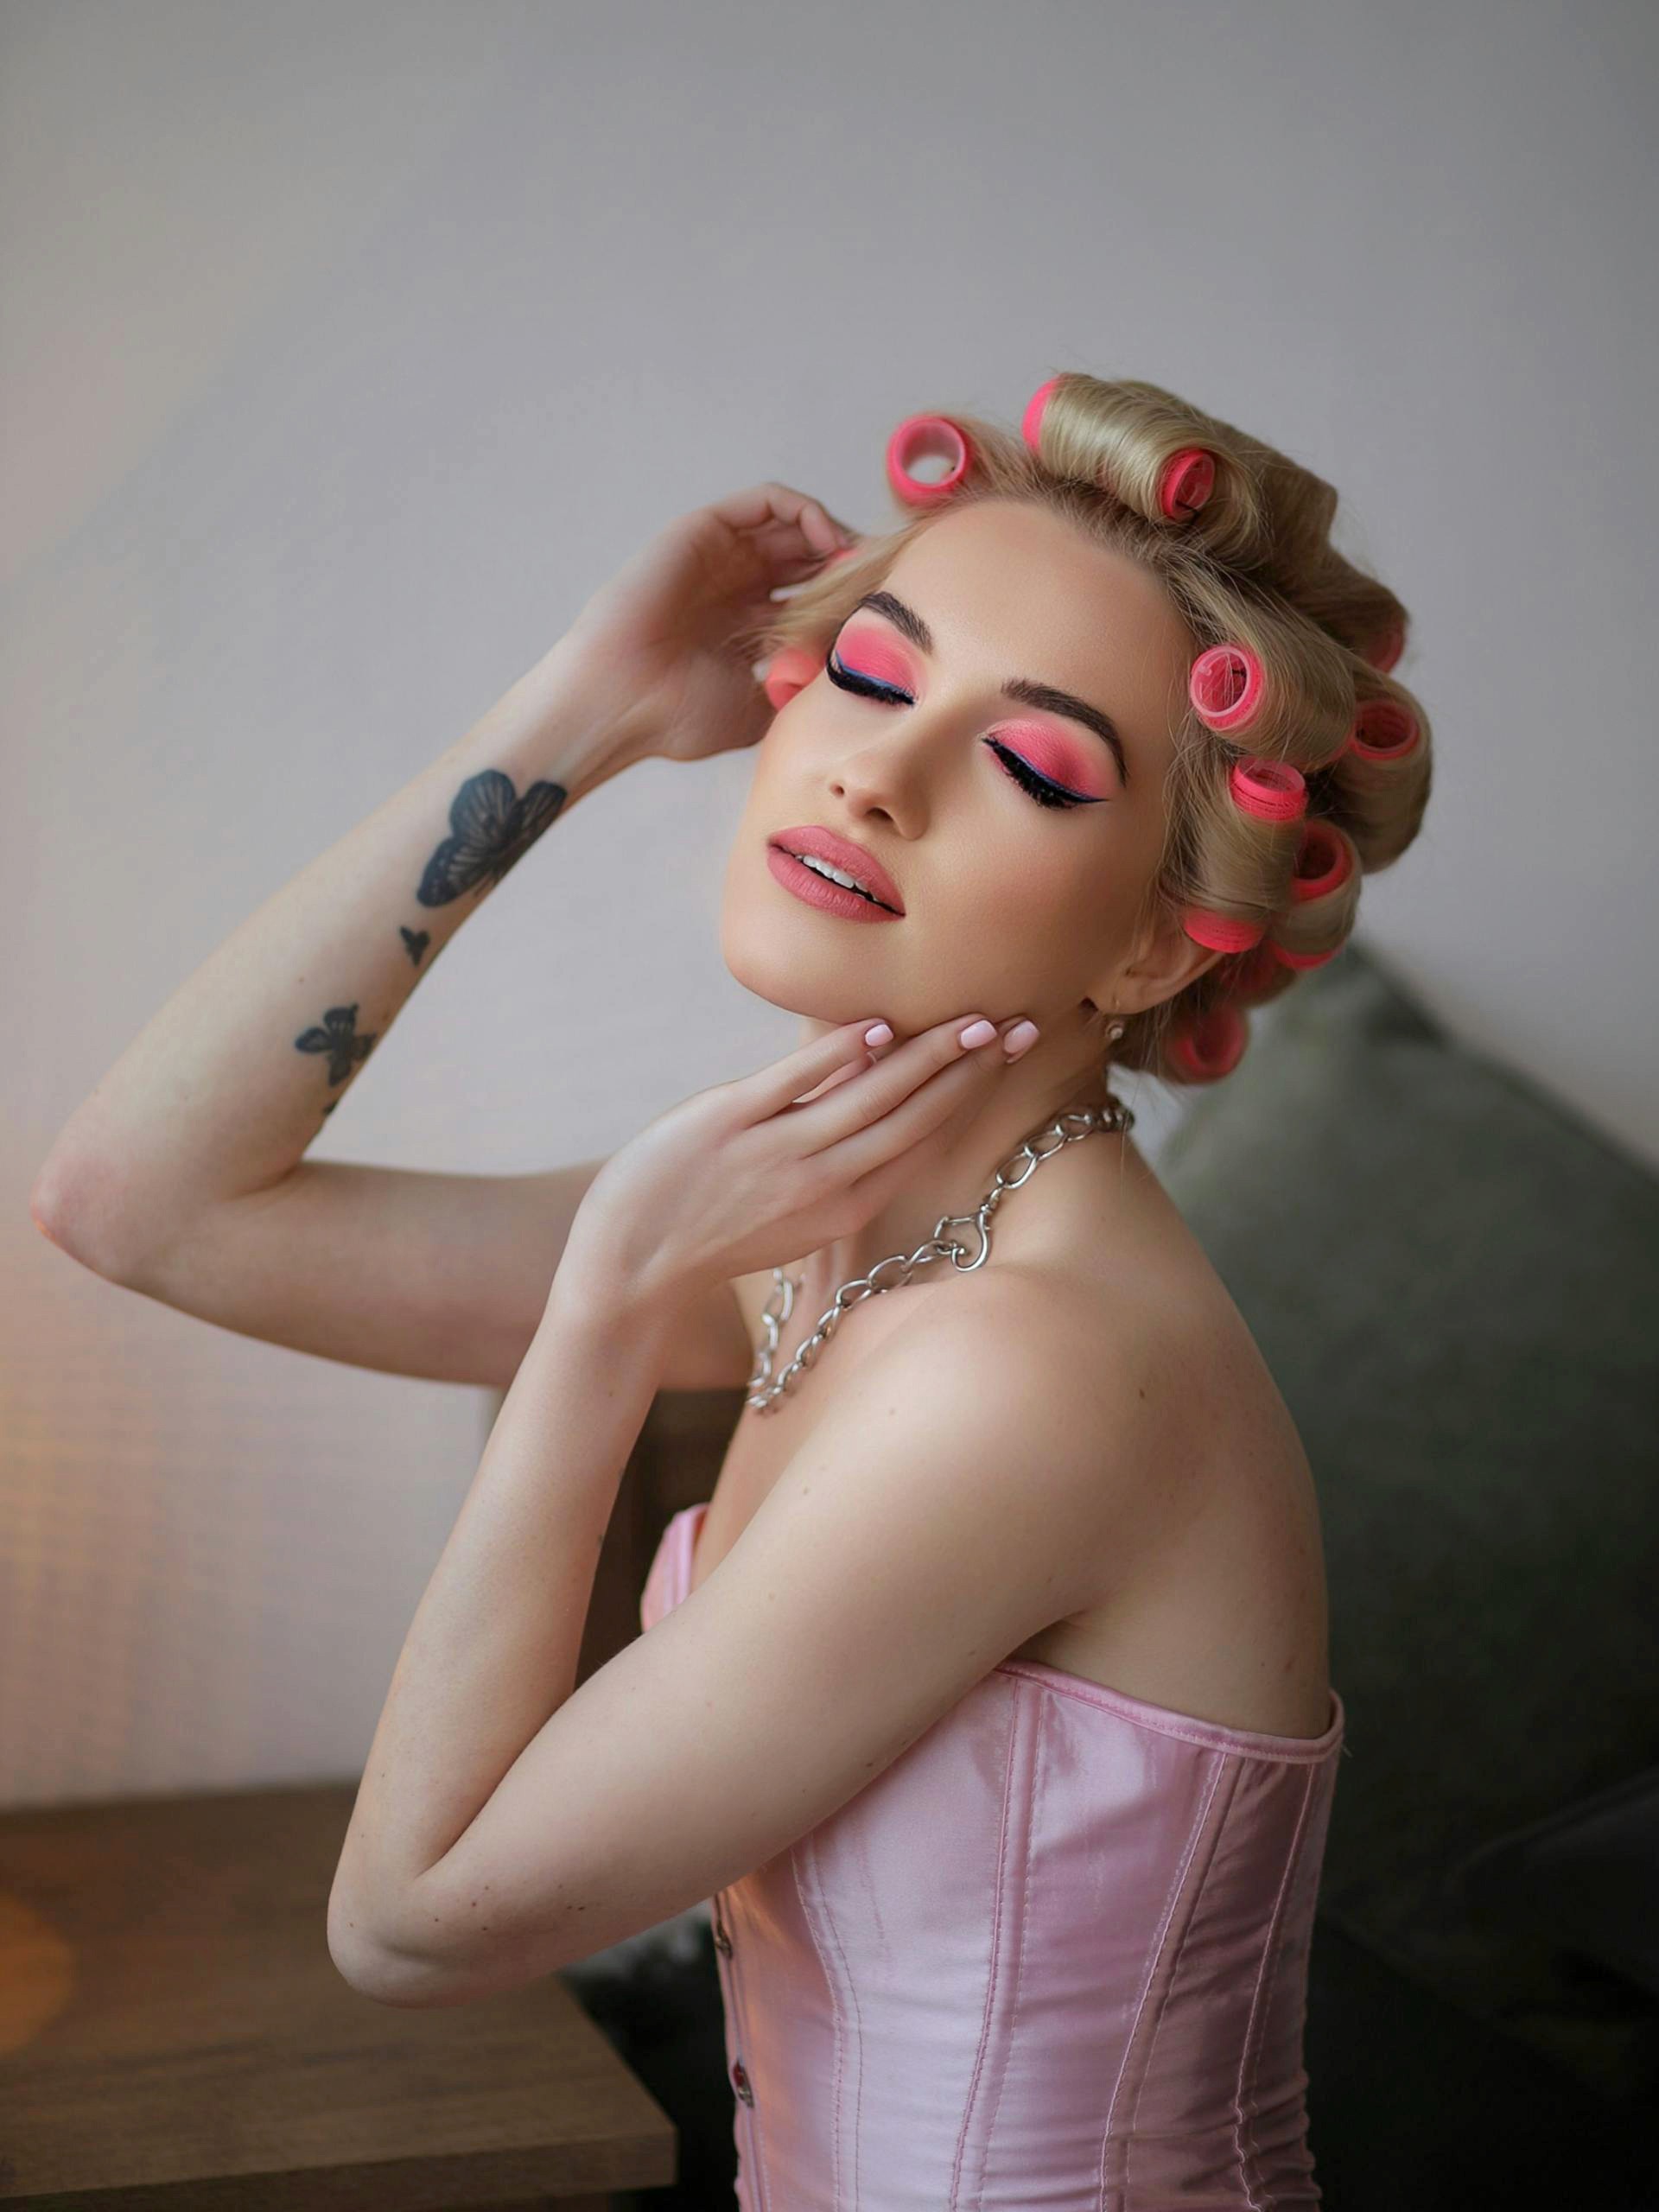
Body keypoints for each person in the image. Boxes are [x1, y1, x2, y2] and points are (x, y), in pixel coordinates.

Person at [33, 370, 1432, 2208]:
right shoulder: (828, 1233)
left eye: (1032, 763)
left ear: (1162, 931)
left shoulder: (1031, 1368)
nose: (878, 769)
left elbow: (415, 1917)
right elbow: (136, 1200)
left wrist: (605, 1311)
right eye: (869, 671)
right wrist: (585, 707)